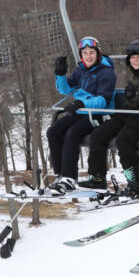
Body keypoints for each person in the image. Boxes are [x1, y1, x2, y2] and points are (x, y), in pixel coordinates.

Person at [83, 40, 139, 195]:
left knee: (124, 139)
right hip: (130, 114)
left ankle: (136, 184)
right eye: (132, 57)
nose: (135, 60)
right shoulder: (137, 74)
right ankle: (97, 177)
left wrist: (137, 93)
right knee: (99, 134)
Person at [46, 36, 116, 193]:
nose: (88, 56)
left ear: (98, 54)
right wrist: (60, 74)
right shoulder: (81, 70)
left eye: (91, 52)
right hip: (82, 112)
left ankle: (70, 178)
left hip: (98, 115)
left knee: (72, 133)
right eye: (85, 53)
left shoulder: (106, 73)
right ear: (81, 55)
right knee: (53, 131)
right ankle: (61, 174)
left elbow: (103, 100)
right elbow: (65, 90)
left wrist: (83, 103)